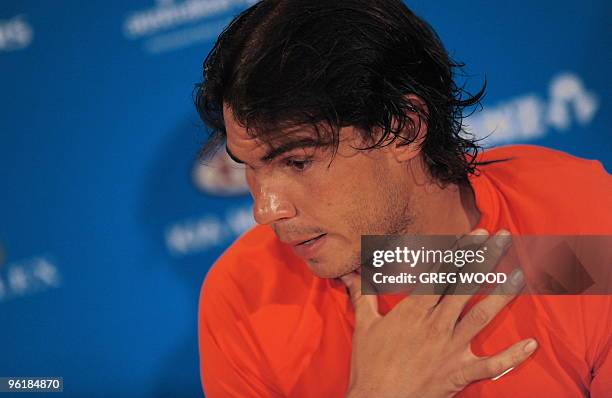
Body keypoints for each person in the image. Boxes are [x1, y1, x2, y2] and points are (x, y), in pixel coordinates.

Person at [194, 0, 612, 396]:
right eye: (248, 167)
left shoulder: (581, 225)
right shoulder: (245, 299)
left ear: (405, 129)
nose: (265, 209)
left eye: (297, 162)